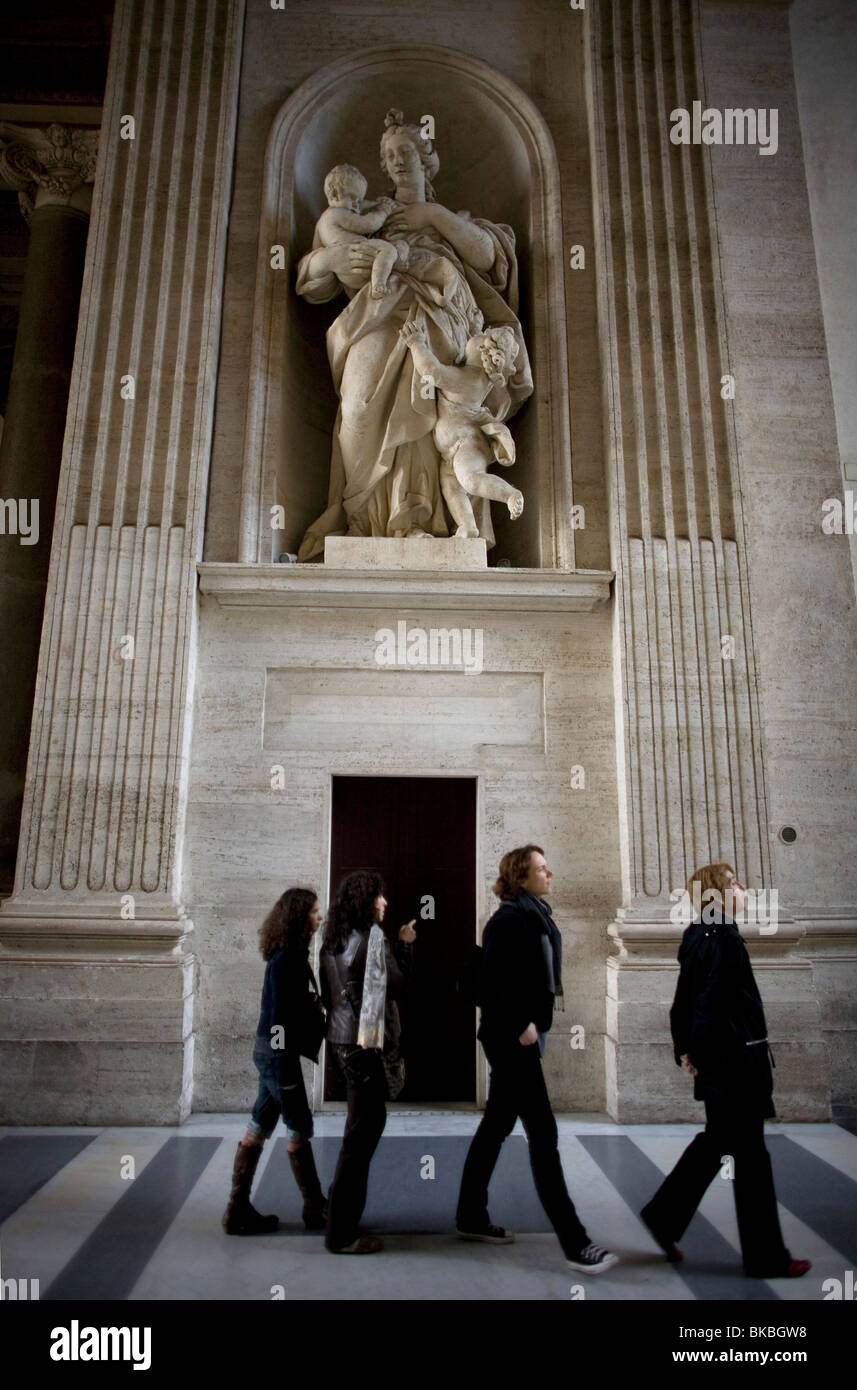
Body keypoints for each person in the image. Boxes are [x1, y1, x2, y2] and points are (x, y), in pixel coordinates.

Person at [295, 108, 533, 558]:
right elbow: (314, 268)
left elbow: (487, 256)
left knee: (428, 412)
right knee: (359, 406)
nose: (398, 161)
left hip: (443, 320)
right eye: (389, 156)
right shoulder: (367, 216)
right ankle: (363, 521)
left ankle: (416, 520)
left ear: (426, 158)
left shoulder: (451, 218)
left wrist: (433, 216)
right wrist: (328, 262)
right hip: (374, 319)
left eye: (406, 150)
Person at [639, 861, 811, 1279]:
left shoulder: (697, 933)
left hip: (717, 1061)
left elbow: (683, 1001)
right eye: (734, 882)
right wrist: (696, 1050)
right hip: (735, 1063)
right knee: (751, 1158)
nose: (743, 887)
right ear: (717, 893)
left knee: (717, 1143)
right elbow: (708, 1002)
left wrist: (686, 1049)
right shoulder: (726, 937)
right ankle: (766, 1257)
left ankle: (663, 1217)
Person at [456, 844, 619, 1274]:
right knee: (543, 1135)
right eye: (542, 869)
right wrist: (519, 1025)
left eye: (548, 867)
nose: (551, 874)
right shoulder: (509, 920)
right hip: (511, 1041)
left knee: (496, 1127)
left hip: (521, 1037)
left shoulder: (535, 916)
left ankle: (470, 1215)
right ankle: (575, 1242)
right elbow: (492, 984)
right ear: (520, 878)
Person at [320, 870, 417, 1253]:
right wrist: (406, 945)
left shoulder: (335, 939)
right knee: (361, 1137)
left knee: (359, 1130)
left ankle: (337, 1210)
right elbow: (400, 985)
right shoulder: (370, 942)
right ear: (365, 901)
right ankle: (341, 1234)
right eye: (379, 896)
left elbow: (332, 994)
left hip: (341, 1040)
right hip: (363, 1044)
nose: (385, 903)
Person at [222, 888, 327, 1235]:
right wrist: (286, 1074)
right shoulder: (287, 960)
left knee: (259, 1124)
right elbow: (280, 1018)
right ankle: (315, 1208)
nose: (319, 916)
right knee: (298, 1127)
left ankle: (237, 1209)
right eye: (314, 911)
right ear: (300, 916)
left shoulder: (289, 954)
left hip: (268, 1052)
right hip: (276, 1056)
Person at [399, 319, 524, 536]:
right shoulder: (475, 377)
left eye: (479, 336)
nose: (471, 337)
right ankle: (468, 526)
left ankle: (509, 495)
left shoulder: (469, 379)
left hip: (466, 444)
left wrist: (416, 343)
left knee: (471, 480)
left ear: (482, 349)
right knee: (452, 487)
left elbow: (432, 371)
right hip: (453, 449)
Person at [314, 163, 406, 300]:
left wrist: (375, 204)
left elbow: (316, 248)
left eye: (359, 200)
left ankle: (356, 302)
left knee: (357, 298)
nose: (357, 204)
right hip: (359, 254)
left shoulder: (323, 220)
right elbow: (369, 224)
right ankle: (379, 284)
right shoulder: (339, 213)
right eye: (353, 198)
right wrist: (383, 210)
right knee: (389, 250)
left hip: (344, 275)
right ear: (334, 194)